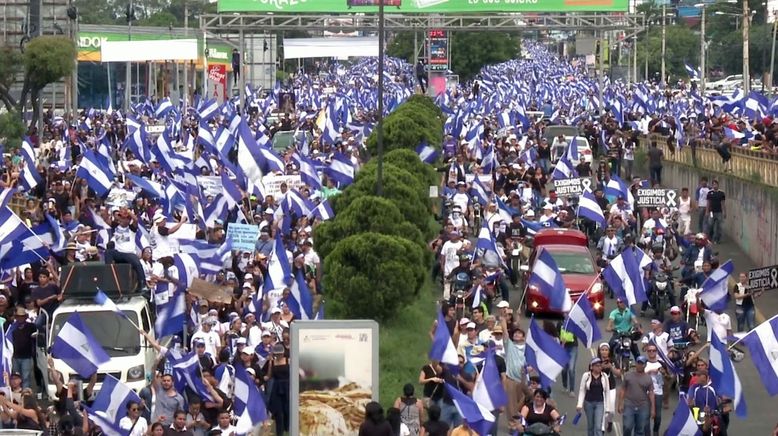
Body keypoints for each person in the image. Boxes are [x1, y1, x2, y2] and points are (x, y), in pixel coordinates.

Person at [618, 356, 654, 436]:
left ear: (645, 365)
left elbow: (651, 393)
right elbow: (623, 389)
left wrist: (653, 409)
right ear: (636, 363)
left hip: (643, 406)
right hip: (629, 405)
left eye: (642, 364)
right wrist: (620, 403)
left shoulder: (648, 378)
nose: (640, 365)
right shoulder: (628, 375)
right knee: (627, 426)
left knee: (640, 430)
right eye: (638, 363)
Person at [576, 358, 612, 436]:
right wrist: (579, 404)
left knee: (598, 426)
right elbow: (582, 390)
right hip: (588, 403)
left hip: (600, 403)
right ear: (592, 367)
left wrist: (608, 408)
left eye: (600, 366)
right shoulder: (586, 376)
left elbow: (607, 392)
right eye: (597, 366)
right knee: (591, 426)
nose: (599, 367)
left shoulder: (604, 376)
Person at [705, 180, 726, 244]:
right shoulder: (710, 193)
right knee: (710, 225)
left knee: (719, 226)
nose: (715, 186)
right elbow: (708, 202)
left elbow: (723, 203)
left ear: (718, 185)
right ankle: (710, 238)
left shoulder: (721, 193)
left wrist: (724, 211)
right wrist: (707, 211)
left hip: (719, 212)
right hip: (711, 212)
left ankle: (717, 239)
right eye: (713, 184)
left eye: (716, 184)